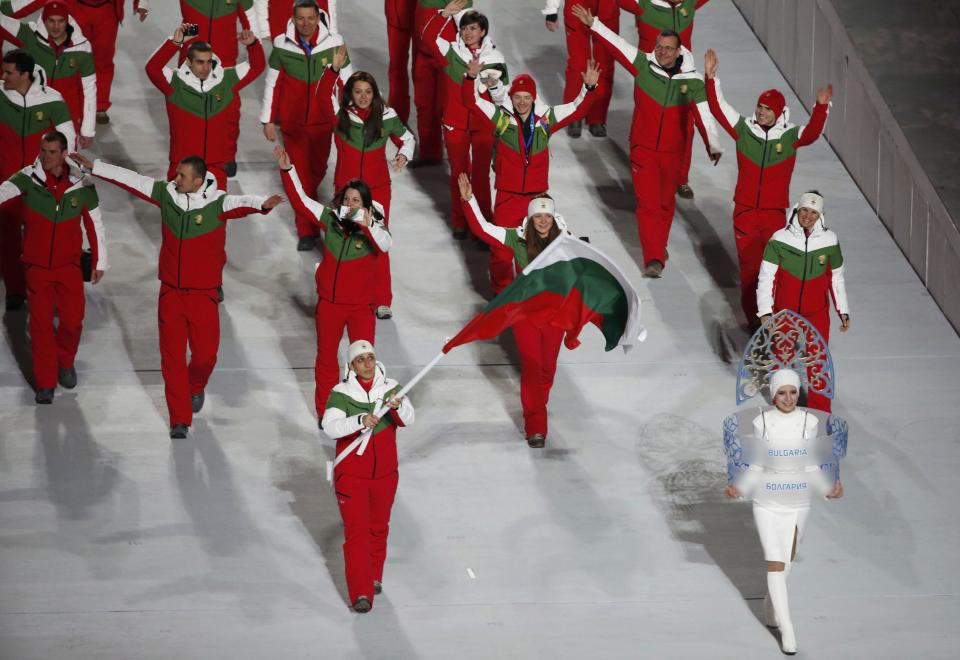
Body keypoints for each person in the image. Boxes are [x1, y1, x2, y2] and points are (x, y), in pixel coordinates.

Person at [70, 151, 283, 439]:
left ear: (197, 181)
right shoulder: (166, 193)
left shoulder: (218, 203)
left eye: (182, 175)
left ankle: (195, 386)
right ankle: (179, 419)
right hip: (170, 291)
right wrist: (96, 167)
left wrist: (262, 204)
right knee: (171, 358)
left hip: (203, 295)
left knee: (206, 356)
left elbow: (242, 203)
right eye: (177, 173)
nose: (175, 178)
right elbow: (132, 180)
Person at [572, 5, 722, 278]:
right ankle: (653, 257)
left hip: (672, 153)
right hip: (643, 149)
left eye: (668, 48)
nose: (662, 52)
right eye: (660, 47)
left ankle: (657, 245)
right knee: (648, 204)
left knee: (665, 204)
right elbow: (616, 44)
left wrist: (713, 145)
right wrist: (593, 23)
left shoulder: (692, 82)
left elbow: (704, 115)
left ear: (679, 51)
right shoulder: (643, 64)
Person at [703, 49, 830, 327]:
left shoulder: (790, 135)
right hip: (746, 213)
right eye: (760, 106)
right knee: (750, 273)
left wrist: (821, 108)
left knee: (775, 272)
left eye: (767, 109)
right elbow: (717, 107)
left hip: (774, 215)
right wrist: (711, 78)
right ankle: (756, 325)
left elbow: (811, 134)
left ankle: (777, 322)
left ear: (779, 112)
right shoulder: (743, 129)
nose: (761, 111)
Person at [724, 368, 844, 654]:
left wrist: (828, 489)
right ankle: (787, 630)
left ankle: (769, 606)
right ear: (773, 395)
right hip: (767, 500)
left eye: (792, 392)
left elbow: (811, 464)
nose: (788, 398)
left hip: (798, 500)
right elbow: (756, 463)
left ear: (798, 392)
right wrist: (741, 487)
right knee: (776, 562)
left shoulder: (810, 422)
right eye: (782, 393)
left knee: (787, 561)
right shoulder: (761, 421)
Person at [462, 55, 599, 292]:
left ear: (534, 98)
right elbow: (470, 102)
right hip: (507, 197)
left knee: (536, 249)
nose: (522, 102)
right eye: (517, 97)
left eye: (527, 98)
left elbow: (578, 109)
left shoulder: (546, 121)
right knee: (502, 252)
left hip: (537, 200)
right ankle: (501, 294)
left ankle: (532, 292)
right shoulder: (501, 119)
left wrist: (589, 87)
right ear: (511, 98)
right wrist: (470, 77)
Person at [275, 146, 392, 423]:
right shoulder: (331, 219)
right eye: (347, 199)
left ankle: (363, 412)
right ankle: (326, 411)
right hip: (329, 304)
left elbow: (385, 245)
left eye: (356, 201)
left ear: (365, 205)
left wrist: (366, 225)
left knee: (364, 363)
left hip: (362, 308)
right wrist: (288, 171)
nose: (350, 205)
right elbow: (301, 202)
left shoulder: (376, 230)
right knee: (326, 360)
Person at [459, 173, 572, 448]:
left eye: (547, 216)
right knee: (533, 370)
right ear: (531, 219)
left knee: (548, 371)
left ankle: (537, 406)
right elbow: (483, 229)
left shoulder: (566, 242)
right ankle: (536, 424)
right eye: (538, 216)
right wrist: (469, 201)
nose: (543, 221)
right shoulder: (516, 238)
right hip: (526, 315)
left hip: (555, 317)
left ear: (554, 218)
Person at [0, 131, 106, 403]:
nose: (44, 157)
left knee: (72, 322)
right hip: (37, 269)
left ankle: (66, 361)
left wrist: (99, 260)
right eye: (42, 151)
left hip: (69, 267)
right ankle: (46, 382)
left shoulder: (82, 183)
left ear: (63, 153)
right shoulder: (27, 177)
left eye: (50, 152)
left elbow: (95, 223)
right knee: (40, 326)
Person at [322, 339, 414, 614]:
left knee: (378, 527)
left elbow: (409, 419)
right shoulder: (340, 393)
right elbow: (330, 427)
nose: (367, 364)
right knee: (357, 534)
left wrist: (396, 407)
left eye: (371, 358)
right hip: (352, 476)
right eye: (360, 360)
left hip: (386, 474)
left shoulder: (391, 389)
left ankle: (373, 576)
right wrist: (359, 421)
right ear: (351, 365)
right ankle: (361, 592)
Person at [261, 0, 352, 251]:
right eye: (300, 18)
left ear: (318, 17)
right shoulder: (281, 43)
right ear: (293, 18)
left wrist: (350, 117)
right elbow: (273, 83)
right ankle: (307, 231)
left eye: (310, 18)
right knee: (300, 175)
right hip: (294, 124)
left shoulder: (334, 42)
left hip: (324, 123)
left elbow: (347, 81)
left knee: (317, 170)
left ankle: (309, 205)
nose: (305, 23)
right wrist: (268, 119)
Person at [333, 63, 414, 320]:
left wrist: (403, 155)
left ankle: (381, 300)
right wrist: (333, 72)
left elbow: (407, 138)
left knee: (378, 241)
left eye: (368, 91)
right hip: (345, 192)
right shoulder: (339, 115)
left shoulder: (387, 116)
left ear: (375, 92)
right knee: (342, 242)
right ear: (350, 94)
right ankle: (345, 294)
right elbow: (320, 94)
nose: (364, 96)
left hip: (377, 190)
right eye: (358, 91)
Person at [422, 1, 508, 240]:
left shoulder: (495, 58)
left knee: (481, 175)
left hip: (483, 124)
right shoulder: (450, 52)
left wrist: (496, 86)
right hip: (455, 122)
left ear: (483, 32)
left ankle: (484, 223)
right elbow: (427, 38)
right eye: (464, 28)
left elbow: (502, 98)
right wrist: (443, 15)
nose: (468, 32)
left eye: (473, 28)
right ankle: (460, 221)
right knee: (459, 173)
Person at [757, 191, 850, 413]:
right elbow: (766, 277)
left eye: (814, 212)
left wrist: (843, 310)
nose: (807, 216)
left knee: (818, 363)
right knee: (783, 360)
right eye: (805, 210)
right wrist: (765, 312)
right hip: (784, 312)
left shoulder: (830, 241)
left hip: (817, 312)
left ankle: (822, 414)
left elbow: (836, 277)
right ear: (797, 209)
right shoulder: (779, 239)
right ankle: (782, 412)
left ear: (820, 216)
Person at [146, 23, 265, 189]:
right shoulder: (174, 83)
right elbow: (152, 68)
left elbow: (256, 66)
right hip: (182, 166)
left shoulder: (226, 80)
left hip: (215, 166)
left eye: (209, 62)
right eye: (200, 62)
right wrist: (175, 42)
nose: (206, 68)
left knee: (215, 215)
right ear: (188, 62)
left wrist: (253, 45)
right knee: (177, 214)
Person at [1, 49, 75, 311]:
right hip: (6, 182)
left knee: (40, 238)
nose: (4, 76)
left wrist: (65, 175)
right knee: (8, 237)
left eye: (9, 72)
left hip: (39, 183)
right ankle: (16, 290)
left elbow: (68, 141)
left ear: (25, 74)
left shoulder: (53, 100)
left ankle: (45, 289)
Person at [617, 0, 712, 197]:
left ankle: (681, 179)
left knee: (686, 125)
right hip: (650, 77)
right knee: (645, 122)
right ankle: (641, 170)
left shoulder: (689, 4)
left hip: (682, 78)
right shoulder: (643, 4)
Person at [1, 0, 148, 126]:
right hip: (76, 8)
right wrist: (6, 10)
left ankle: (100, 106)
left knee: (103, 60)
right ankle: (73, 107)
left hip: (107, 11)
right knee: (75, 60)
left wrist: (141, 3)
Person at [0, 0, 96, 148]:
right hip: (34, 116)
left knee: (63, 164)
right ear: (44, 21)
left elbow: (89, 89)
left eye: (60, 21)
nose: (56, 26)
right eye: (51, 21)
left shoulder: (82, 48)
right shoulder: (30, 35)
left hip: (66, 118)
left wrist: (88, 130)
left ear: (67, 21)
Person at [542, 0, 617, 138]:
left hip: (608, 5)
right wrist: (552, 9)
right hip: (578, 4)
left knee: (605, 64)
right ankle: (574, 115)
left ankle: (597, 118)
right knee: (578, 65)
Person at [412, 0, 472, 164]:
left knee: (449, 108)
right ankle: (429, 154)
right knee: (424, 104)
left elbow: (468, 25)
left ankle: (457, 160)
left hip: (448, 57)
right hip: (424, 55)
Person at [383, 0, 415, 124]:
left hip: (426, 13)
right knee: (396, 68)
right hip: (396, 14)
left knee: (422, 72)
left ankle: (431, 129)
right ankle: (397, 121)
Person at [255, 0, 334, 41]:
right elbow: (260, 2)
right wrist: (264, 30)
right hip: (281, 25)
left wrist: (332, 31)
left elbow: (330, 5)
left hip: (315, 26)